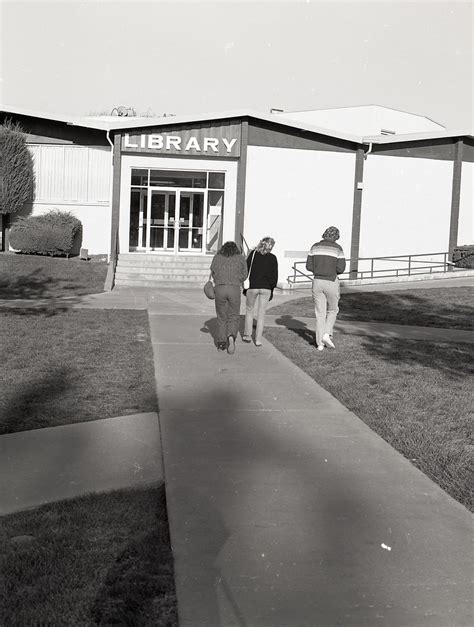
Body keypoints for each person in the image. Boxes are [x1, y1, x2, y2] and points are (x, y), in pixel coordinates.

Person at [305, 226, 346, 351]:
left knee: (320, 313)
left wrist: (319, 269)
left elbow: (308, 266)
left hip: (317, 281)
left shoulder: (314, 247)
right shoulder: (338, 248)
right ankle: (327, 334)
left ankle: (320, 344)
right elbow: (341, 269)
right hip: (331, 280)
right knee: (333, 310)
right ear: (336, 236)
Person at [210, 241, 247, 354]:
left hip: (220, 288)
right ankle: (231, 336)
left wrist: (219, 280)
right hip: (234, 288)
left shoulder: (217, 257)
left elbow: (213, 272)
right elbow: (245, 274)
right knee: (234, 315)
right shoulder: (240, 258)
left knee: (221, 316)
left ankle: (221, 343)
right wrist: (237, 280)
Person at [243, 237, 278, 347]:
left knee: (249, 310)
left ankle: (248, 335)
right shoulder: (273, 258)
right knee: (261, 314)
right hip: (266, 288)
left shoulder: (253, 254)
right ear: (271, 246)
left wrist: (244, 288)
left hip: (252, 286)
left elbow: (246, 270)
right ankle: (258, 339)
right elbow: (274, 276)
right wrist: (272, 289)